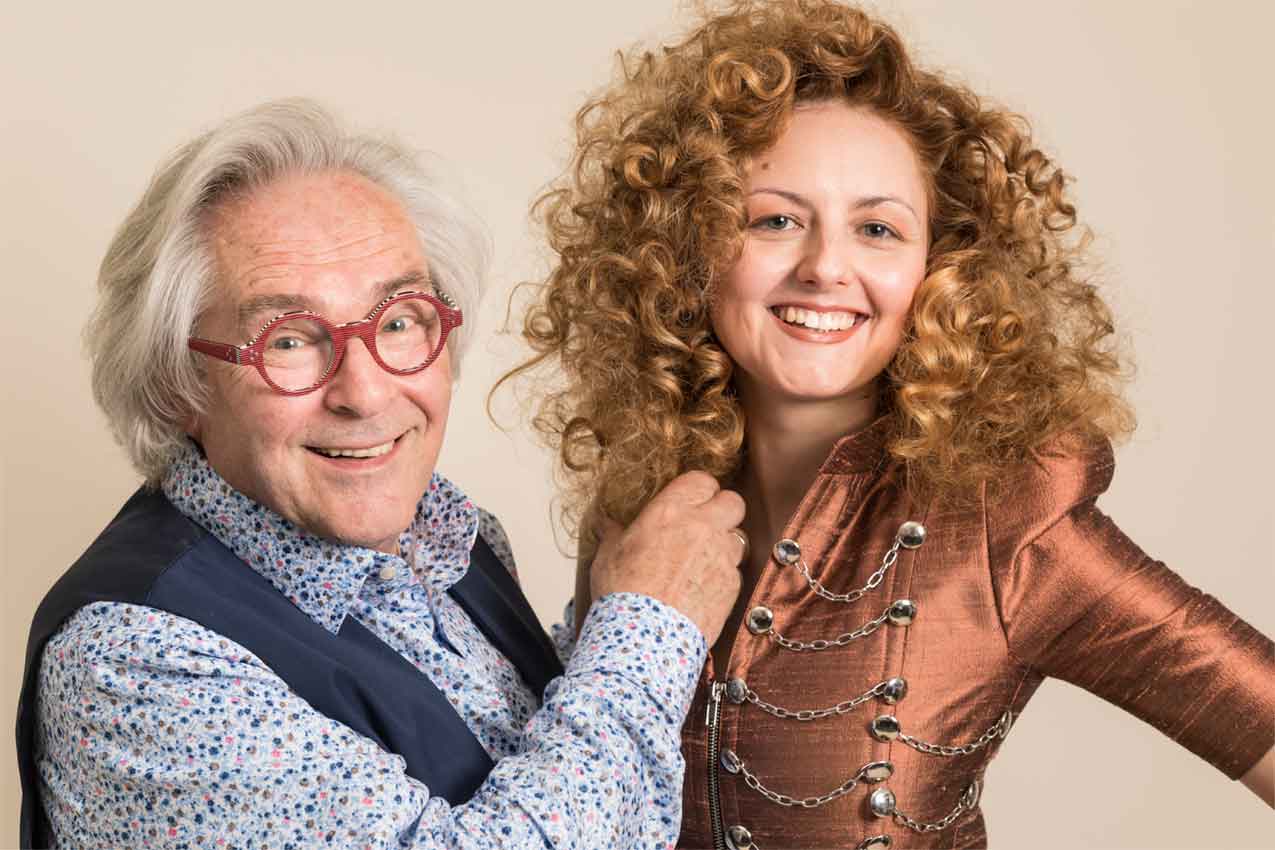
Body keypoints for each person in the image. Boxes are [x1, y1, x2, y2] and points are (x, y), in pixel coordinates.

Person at [508, 2, 1275, 848]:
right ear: (685, 247)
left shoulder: (1005, 523)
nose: (825, 267)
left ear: (939, 271)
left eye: (876, 229)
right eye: (773, 220)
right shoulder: (640, 504)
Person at [15, 98, 748, 849]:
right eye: (289, 340)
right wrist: (646, 631)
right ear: (179, 385)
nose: (364, 393)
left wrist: (606, 613)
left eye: (398, 321)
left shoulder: (446, 541)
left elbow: (507, 767)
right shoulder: (135, 665)